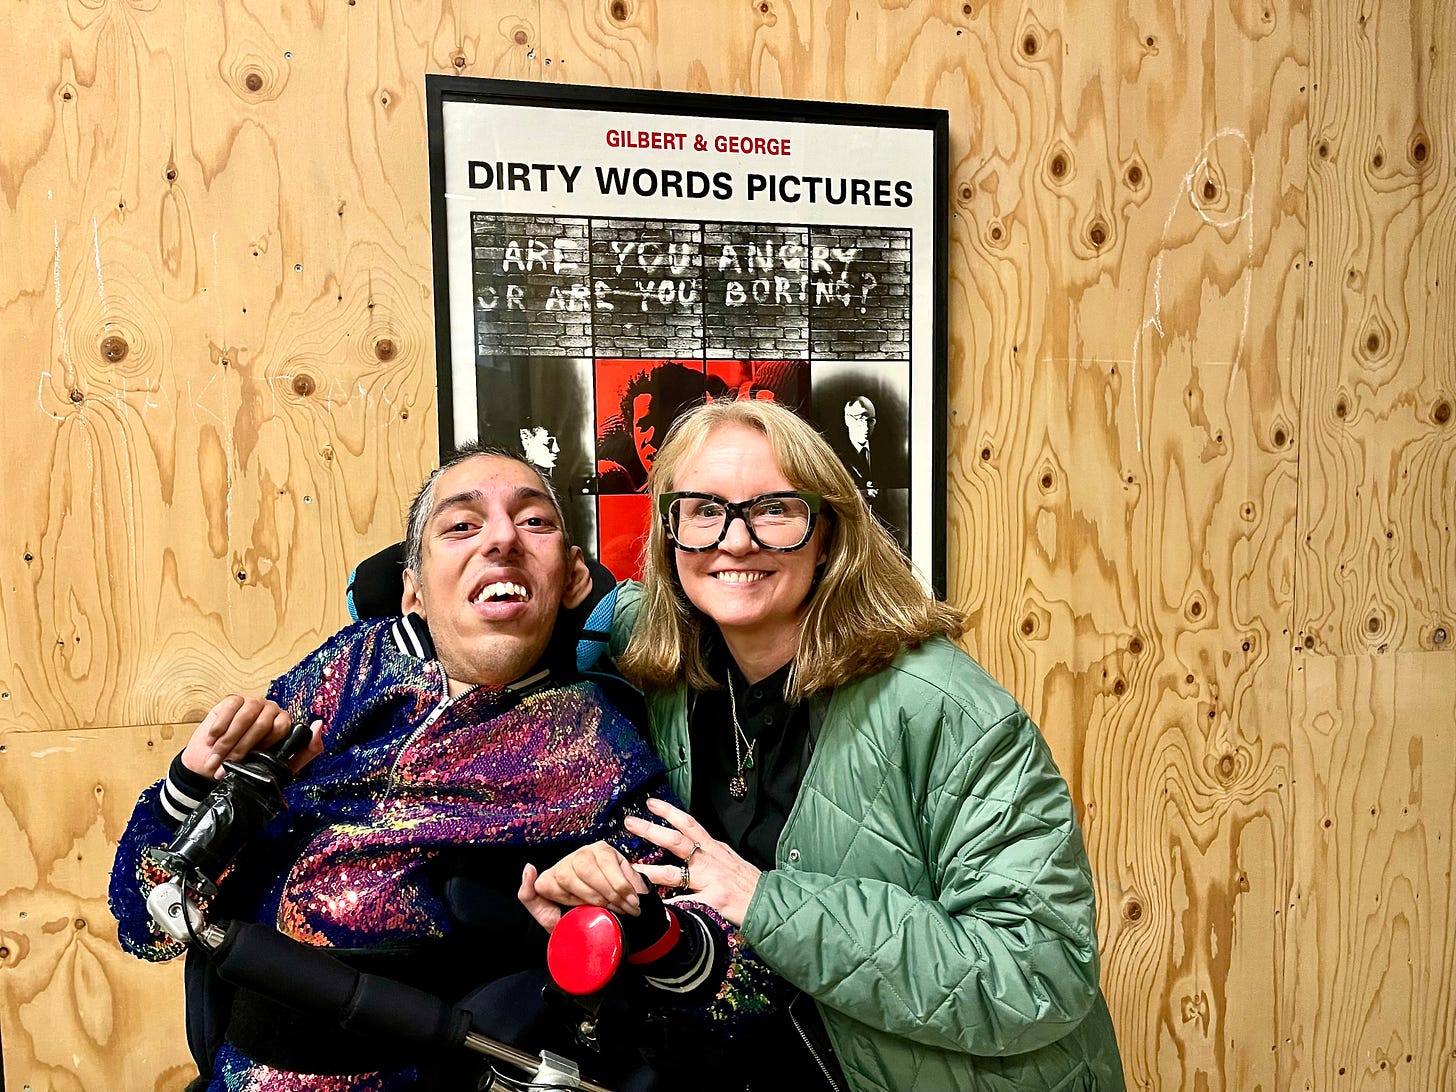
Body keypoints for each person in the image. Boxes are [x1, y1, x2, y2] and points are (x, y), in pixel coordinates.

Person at [521, 399, 1125, 1090]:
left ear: (829, 534)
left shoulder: (943, 708)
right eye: (703, 510)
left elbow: (1038, 971)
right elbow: (501, 597)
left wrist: (766, 903)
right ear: (670, 537)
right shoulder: (661, 665)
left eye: (775, 509)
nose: (736, 540)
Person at [109, 443, 674, 1091]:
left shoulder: (600, 741)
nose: (500, 539)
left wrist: (620, 925)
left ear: (573, 576)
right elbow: (147, 925)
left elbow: (686, 993)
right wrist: (188, 793)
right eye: (461, 525)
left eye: (534, 521)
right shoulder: (348, 670)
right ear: (412, 591)